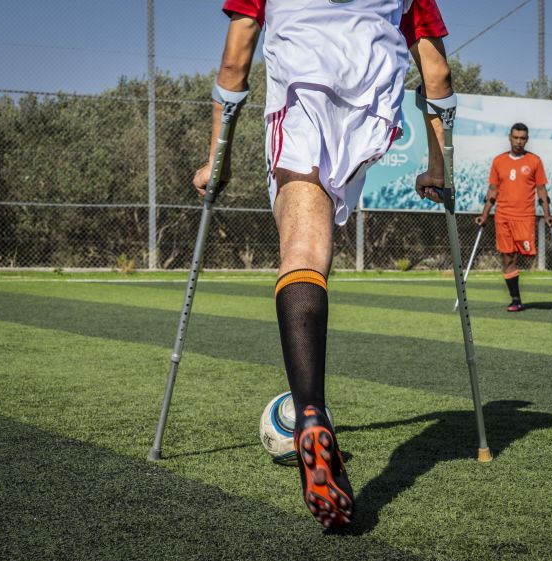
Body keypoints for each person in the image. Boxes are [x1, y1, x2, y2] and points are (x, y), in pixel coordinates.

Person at [192, 0, 453, 529]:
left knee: (303, 250)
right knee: (321, 241)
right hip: (372, 96)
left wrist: (215, 159)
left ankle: (309, 410)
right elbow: (437, 73)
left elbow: (237, 55)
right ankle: (315, 419)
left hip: (302, 83)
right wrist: (437, 164)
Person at [475, 123, 552, 312]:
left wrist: (547, 215)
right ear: (509, 137)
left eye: (522, 138)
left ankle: (516, 295)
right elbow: (492, 190)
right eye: (515, 137)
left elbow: (541, 189)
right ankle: (516, 299)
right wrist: (484, 215)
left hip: (524, 217)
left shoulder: (534, 161)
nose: (519, 141)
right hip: (502, 216)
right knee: (507, 258)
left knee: (527, 255)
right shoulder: (498, 161)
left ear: (526, 140)